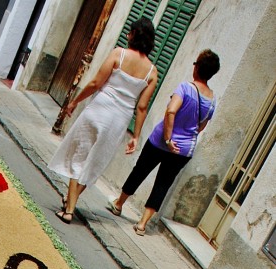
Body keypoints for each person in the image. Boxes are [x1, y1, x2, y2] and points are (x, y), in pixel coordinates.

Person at [49, 17, 157, 224]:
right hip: (120, 118)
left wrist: (74, 102)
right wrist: (136, 136)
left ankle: (69, 210)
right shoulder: (152, 72)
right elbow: (142, 107)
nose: (127, 35)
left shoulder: (119, 54)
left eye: (130, 32)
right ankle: (70, 200)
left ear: (134, 35)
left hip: (100, 109)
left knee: (80, 156)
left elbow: (97, 82)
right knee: (96, 162)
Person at [109, 49, 220, 234]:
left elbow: (170, 111)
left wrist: (169, 138)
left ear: (197, 68)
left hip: (161, 141)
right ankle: (142, 224)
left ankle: (119, 204)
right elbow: (201, 127)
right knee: (163, 184)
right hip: (183, 150)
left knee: (141, 170)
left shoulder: (185, 88)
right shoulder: (212, 100)